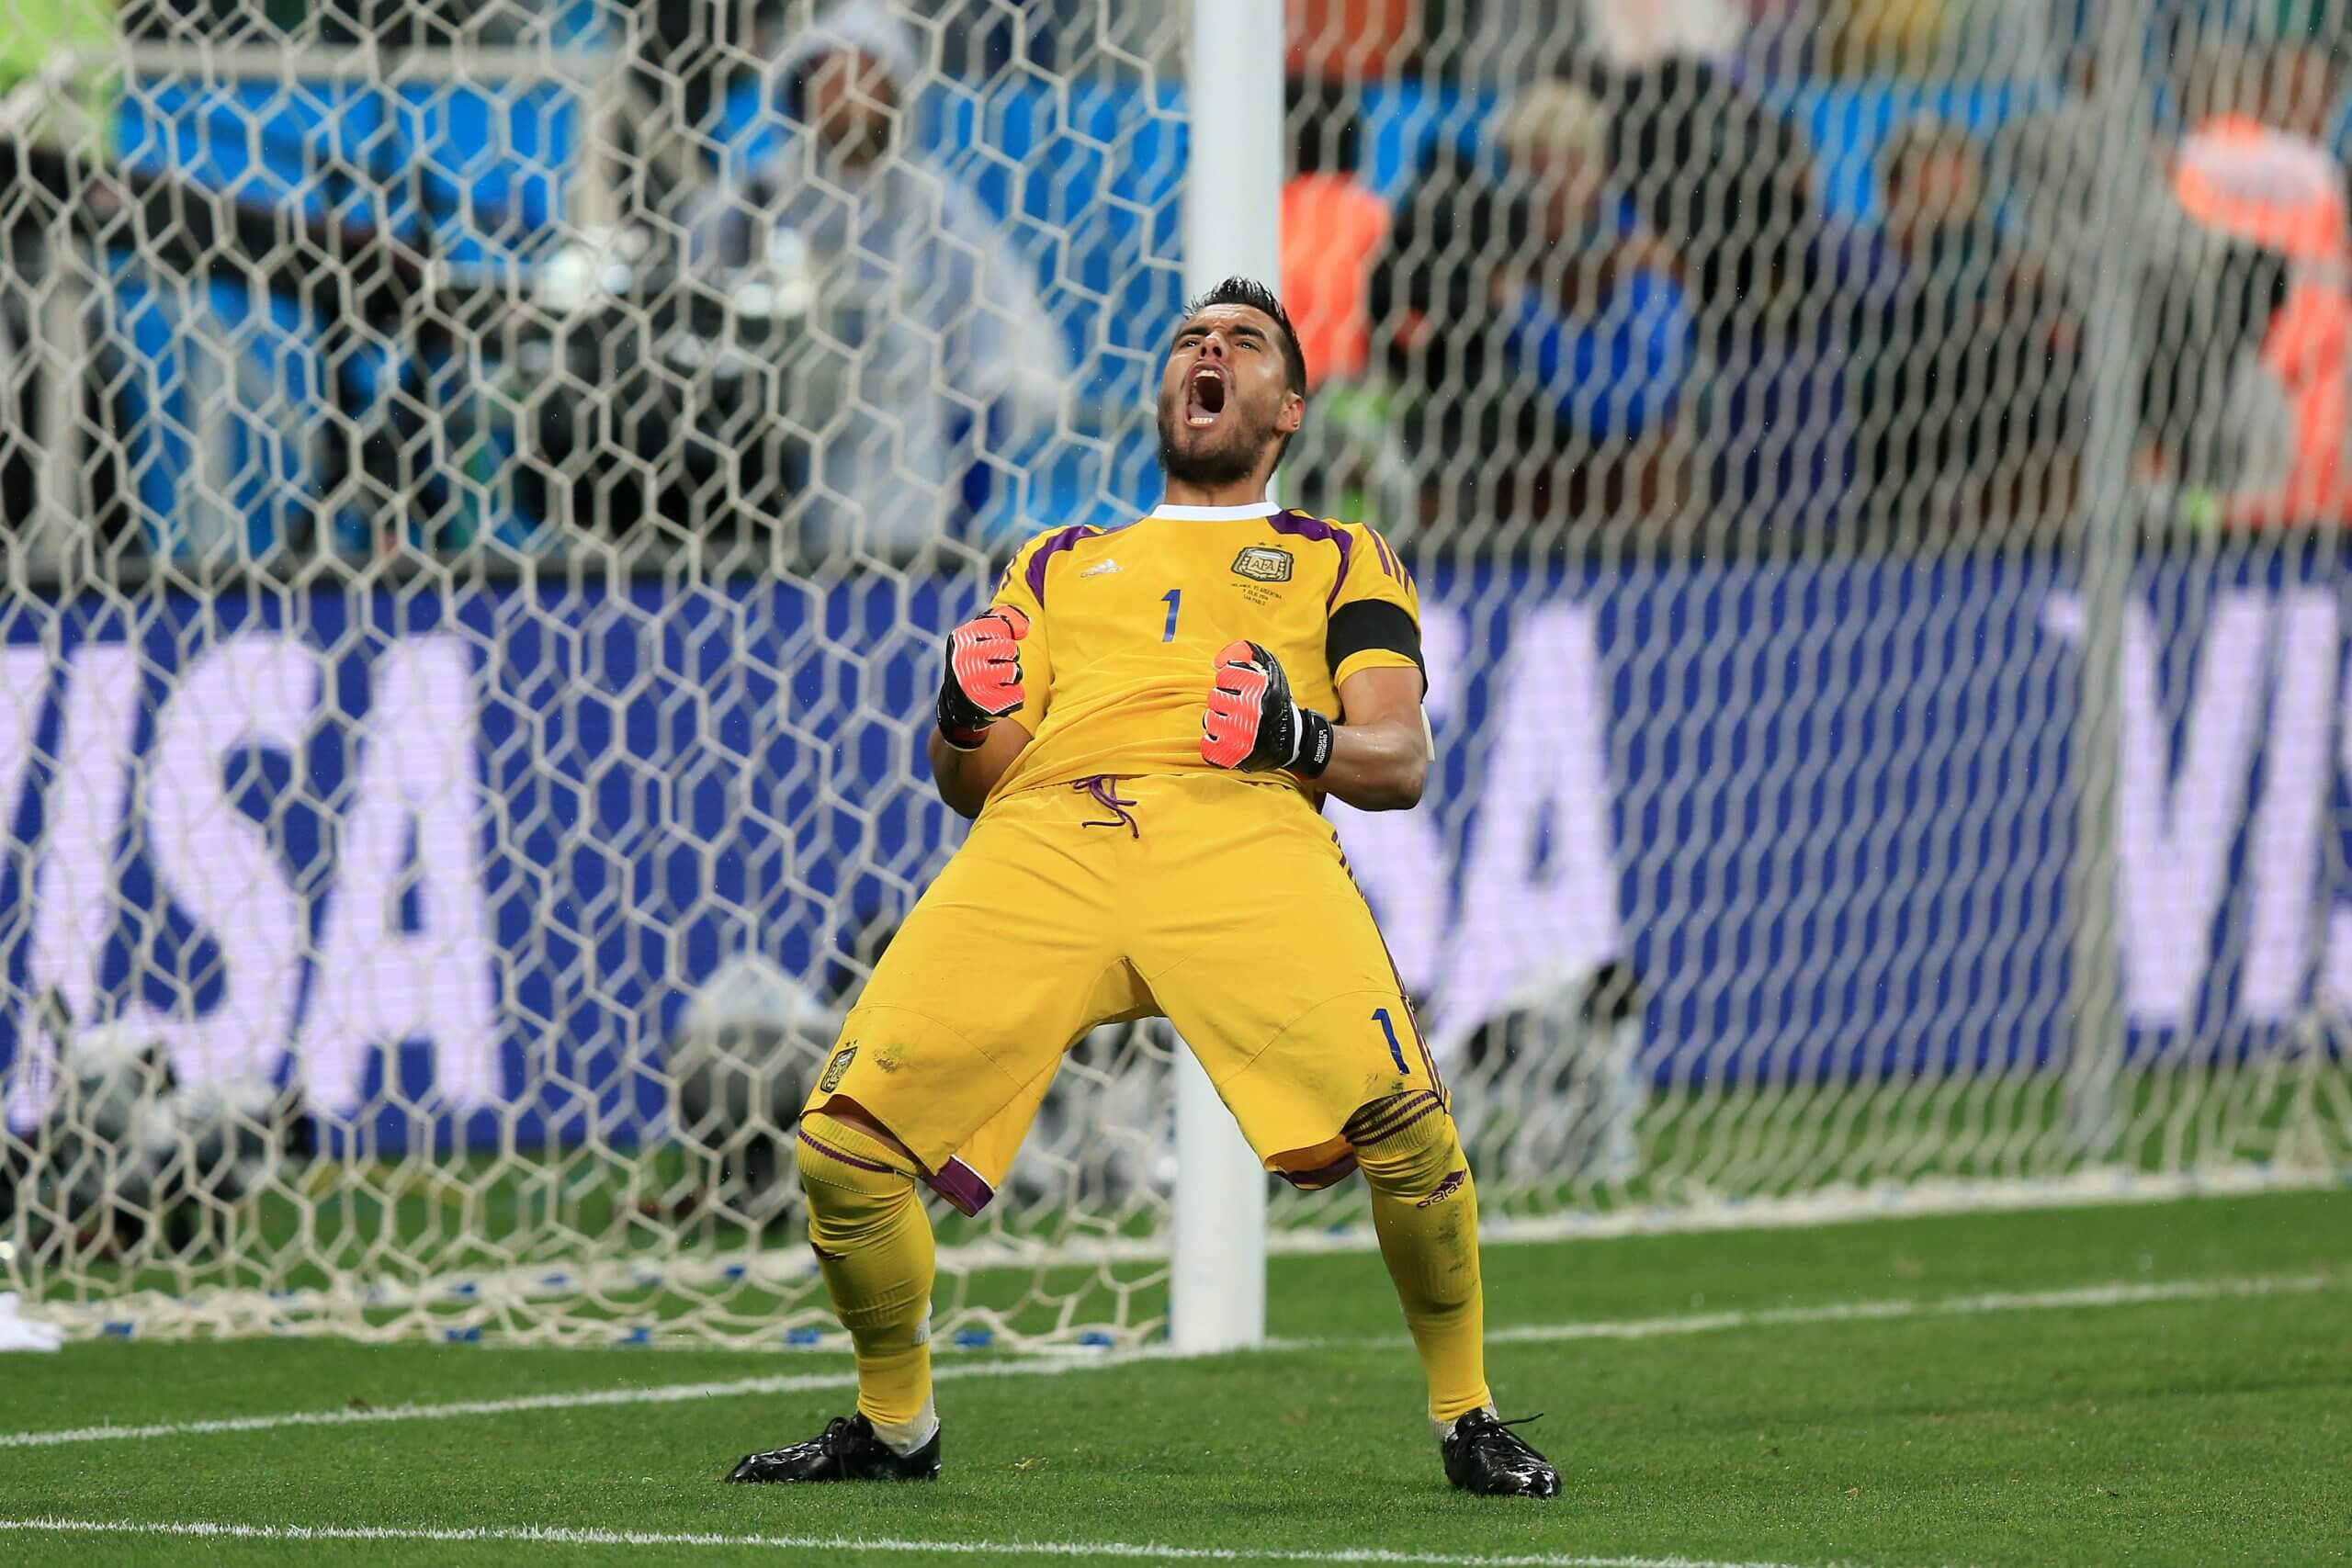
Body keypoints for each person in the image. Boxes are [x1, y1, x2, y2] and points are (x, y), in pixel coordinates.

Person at [723, 277, 1560, 1499]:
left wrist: (1295, 732)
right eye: (1189, 340)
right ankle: (893, 1422)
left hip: (1241, 829)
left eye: (1242, 343)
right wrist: (959, 711)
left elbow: (1401, 760)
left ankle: (1467, 1412)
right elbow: (974, 777)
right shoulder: (1059, 560)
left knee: (1404, 1121)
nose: (1207, 353)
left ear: (1288, 405)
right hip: (1046, 838)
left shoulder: (1339, 557)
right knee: (843, 1150)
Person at [688, 0, 1069, 558]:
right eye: (833, 75)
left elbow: (1008, 343)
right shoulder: (751, 202)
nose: (850, 94)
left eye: (868, 74)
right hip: (769, 473)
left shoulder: (937, 211)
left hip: (908, 467)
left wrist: (976, 455)